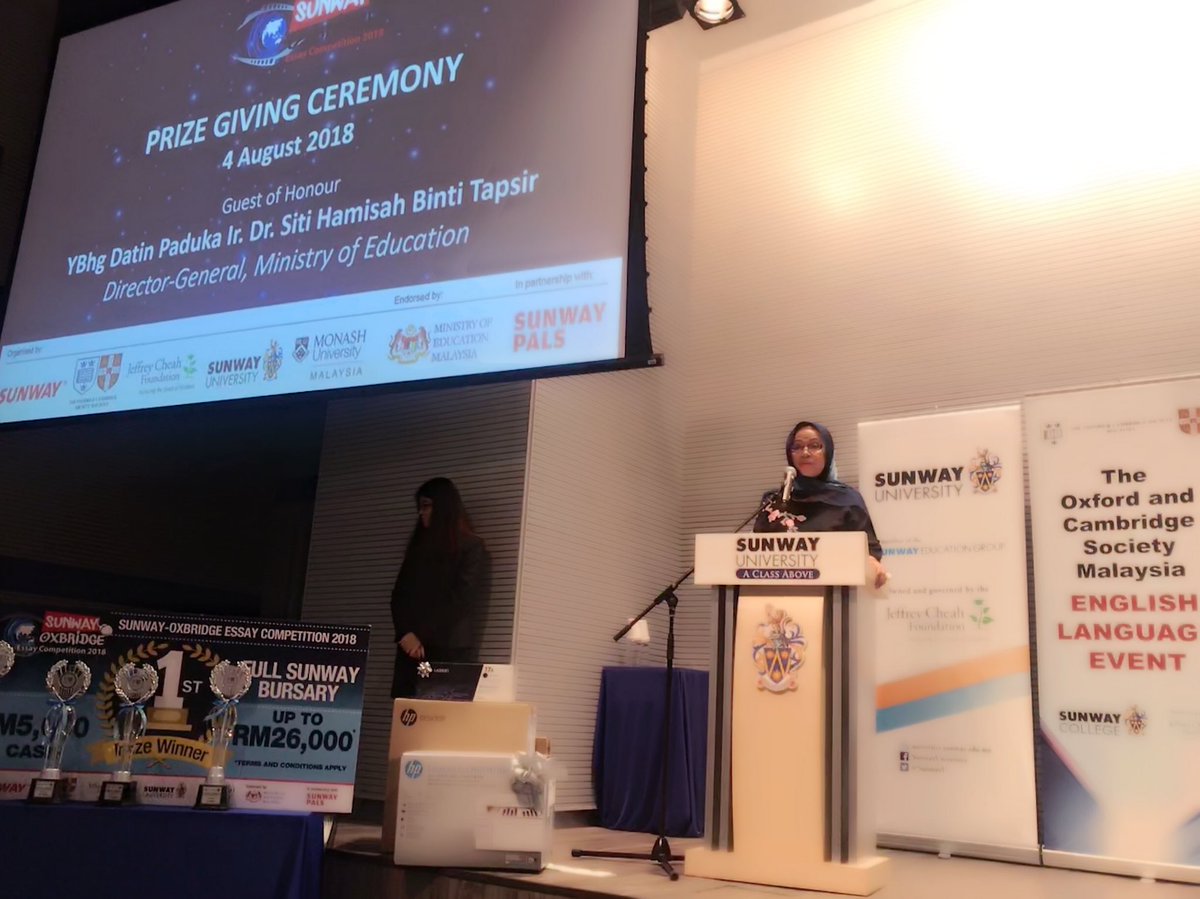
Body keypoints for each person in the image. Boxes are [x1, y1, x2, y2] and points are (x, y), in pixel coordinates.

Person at [755, 420, 889, 589]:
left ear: (828, 452)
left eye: (814, 446)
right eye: (797, 447)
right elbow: (754, 551)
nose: (805, 453)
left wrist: (871, 561)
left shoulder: (848, 500)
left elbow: (870, 549)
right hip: (775, 594)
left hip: (835, 597)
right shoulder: (773, 501)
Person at [390, 477, 490, 698]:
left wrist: (417, 635)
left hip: (448, 647)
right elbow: (399, 596)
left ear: (443, 507)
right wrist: (404, 633)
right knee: (407, 710)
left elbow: (461, 600)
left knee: (443, 710)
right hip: (413, 648)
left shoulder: (471, 547)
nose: (421, 513)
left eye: (426, 505)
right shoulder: (418, 548)